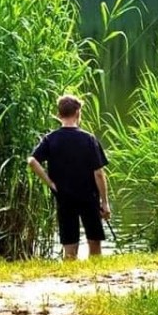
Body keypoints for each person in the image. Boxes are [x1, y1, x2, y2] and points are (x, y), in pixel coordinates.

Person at [27, 95, 111, 259]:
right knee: (95, 244)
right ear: (78, 112)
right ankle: (95, 277)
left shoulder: (50, 139)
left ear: (59, 115)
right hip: (88, 197)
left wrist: (50, 183)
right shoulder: (88, 139)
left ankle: (71, 275)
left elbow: (32, 161)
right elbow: (99, 173)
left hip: (64, 197)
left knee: (69, 248)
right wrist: (105, 202)